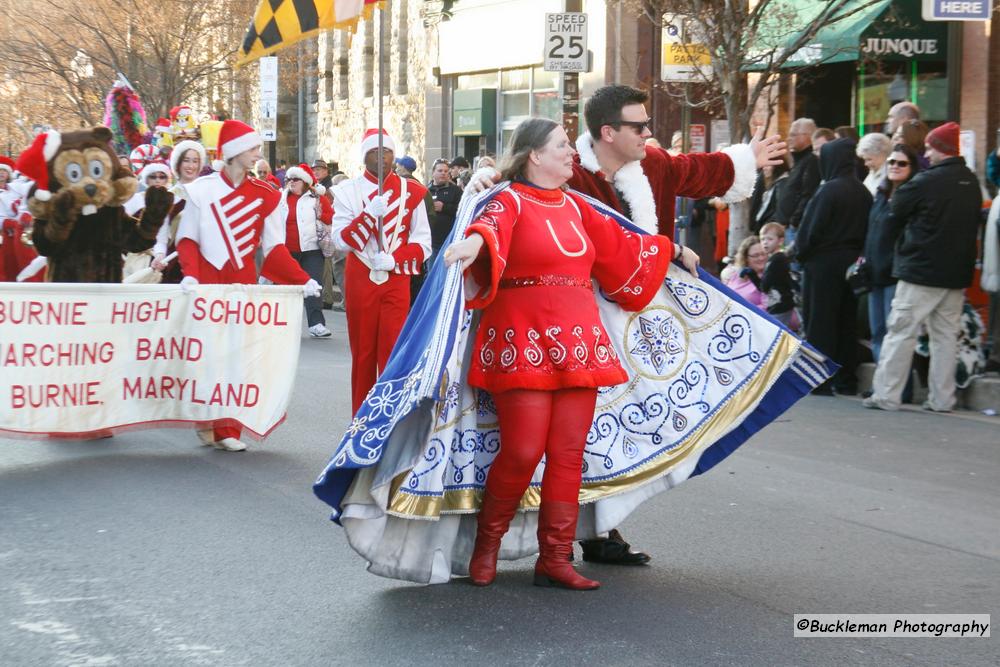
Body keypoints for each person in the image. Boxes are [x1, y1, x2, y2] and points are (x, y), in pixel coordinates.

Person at [468, 83, 784, 565]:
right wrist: (485, 185)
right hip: (545, 321)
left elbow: (692, 173)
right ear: (608, 132)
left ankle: (589, 534)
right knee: (531, 446)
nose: (648, 134)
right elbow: (509, 198)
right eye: (639, 126)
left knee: (605, 432)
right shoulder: (565, 175)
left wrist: (743, 160)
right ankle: (491, 548)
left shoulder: (649, 165)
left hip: (621, 317)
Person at [443, 117, 695, 590]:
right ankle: (487, 547)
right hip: (523, 338)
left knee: (567, 454)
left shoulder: (578, 205)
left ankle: (555, 559)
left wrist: (675, 249)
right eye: (561, 146)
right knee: (521, 451)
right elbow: (490, 228)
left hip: (579, 341)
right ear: (534, 155)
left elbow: (625, 244)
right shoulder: (508, 199)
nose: (570, 153)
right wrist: (473, 243)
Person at [175, 119, 319, 451]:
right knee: (207, 355)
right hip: (207, 284)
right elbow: (188, 239)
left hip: (241, 284)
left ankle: (229, 428)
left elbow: (273, 250)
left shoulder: (266, 195)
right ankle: (206, 416)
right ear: (235, 151)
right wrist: (191, 274)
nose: (257, 152)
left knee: (236, 355)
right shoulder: (202, 190)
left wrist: (303, 279)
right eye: (252, 147)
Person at [864, 122, 983, 412]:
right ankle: (943, 399)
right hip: (956, 274)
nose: (926, 153)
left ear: (941, 149)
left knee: (901, 332)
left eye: (930, 147)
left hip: (920, 270)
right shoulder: (971, 183)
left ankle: (886, 395)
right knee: (945, 337)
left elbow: (895, 212)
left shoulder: (927, 181)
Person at [330, 128, 432, 412]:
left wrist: (396, 259)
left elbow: (423, 241)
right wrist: (368, 215)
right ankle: (360, 421)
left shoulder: (412, 191)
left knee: (393, 351)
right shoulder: (346, 191)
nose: (382, 157)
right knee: (363, 354)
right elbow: (341, 240)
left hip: (395, 277)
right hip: (361, 274)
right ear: (365, 156)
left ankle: (388, 419)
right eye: (375, 152)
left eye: (386, 151)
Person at [796, 137, 872, 395]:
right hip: (851, 264)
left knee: (821, 321)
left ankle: (820, 379)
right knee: (846, 322)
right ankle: (846, 378)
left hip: (823, 263)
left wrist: (801, 254)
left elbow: (811, 230)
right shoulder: (863, 191)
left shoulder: (828, 190)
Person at [863, 143, 921, 364]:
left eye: (902, 163)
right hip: (873, 273)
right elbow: (871, 231)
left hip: (895, 275)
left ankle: (898, 389)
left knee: (894, 333)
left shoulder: (912, 197)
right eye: (891, 162)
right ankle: (881, 385)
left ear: (911, 167)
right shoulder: (881, 193)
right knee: (877, 331)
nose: (895, 166)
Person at [279, 163, 334, 338]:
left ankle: (316, 323)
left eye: (295, 179)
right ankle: (285, 323)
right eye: (288, 179)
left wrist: (322, 212)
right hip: (287, 250)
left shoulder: (316, 198)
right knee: (287, 289)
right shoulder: (280, 198)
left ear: (304, 181)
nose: (291, 182)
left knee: (314, 285)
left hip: (312, 250)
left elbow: (330, 218)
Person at [150, 139, 207, 283]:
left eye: (195, 161)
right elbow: (161, 237)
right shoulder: (167, 198)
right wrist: (159, 255)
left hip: (203, 264)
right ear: (178, 163)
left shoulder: (207, 195)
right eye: (186, 160)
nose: (191, 166)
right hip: (174, 266)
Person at [784, 118, 821, 246]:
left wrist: (794, 221)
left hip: (796, 228)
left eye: (793, 134)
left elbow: (808, 194)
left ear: (808, 137)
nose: (789, 138)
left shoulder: (812, 161)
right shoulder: (799, 161)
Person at [756, 222, 798, 330]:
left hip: (780, 305)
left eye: (769, 239)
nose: (765, 243)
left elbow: (764, 287)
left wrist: (751, 274)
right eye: (762, 239)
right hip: (777, 304)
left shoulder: (776, 260)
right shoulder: (774, 259)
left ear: (780, 241)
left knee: (777, 333)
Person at [427, 158, 462, 264]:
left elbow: (462, 211)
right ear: (433, 172)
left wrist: (444, 207)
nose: (443, 173)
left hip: (450, 241)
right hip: (431, 242)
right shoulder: (426, 190)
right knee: (431, 274)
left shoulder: (456, 191)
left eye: (446, 171)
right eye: (440, 171)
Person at [749, 154, 791, 233]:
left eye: (768, 165)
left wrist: (767, 225)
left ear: (777, 166)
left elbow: (779, 212)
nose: (764, 168)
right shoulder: (775, 184)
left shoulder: (783, 184)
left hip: (772, 231)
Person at [722, 235, 767, 309]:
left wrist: (743, 311)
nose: (761, 258)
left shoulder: (768, 277)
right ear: (746, 258)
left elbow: (767, 307)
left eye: (763, 254)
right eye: (756, 255)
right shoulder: (734, 273)